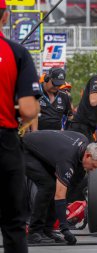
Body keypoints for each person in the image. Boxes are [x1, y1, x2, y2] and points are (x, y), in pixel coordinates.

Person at [0, 1, 41, 252]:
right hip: (4, 141)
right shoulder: (16, 53)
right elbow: (28, 110)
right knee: (13, 222)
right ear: (5, 17)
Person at [23, 130, 97, 244]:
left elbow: (67, 190)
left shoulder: (84, 142)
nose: (93, 170)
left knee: (64, 187)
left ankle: (47, 229)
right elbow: (59, 195)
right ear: (87, 156)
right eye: (93, 166)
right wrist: (65, 228)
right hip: (24, 150)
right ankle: (34, 232)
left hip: (43, 152)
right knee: (48, 186)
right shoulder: (68, 159)